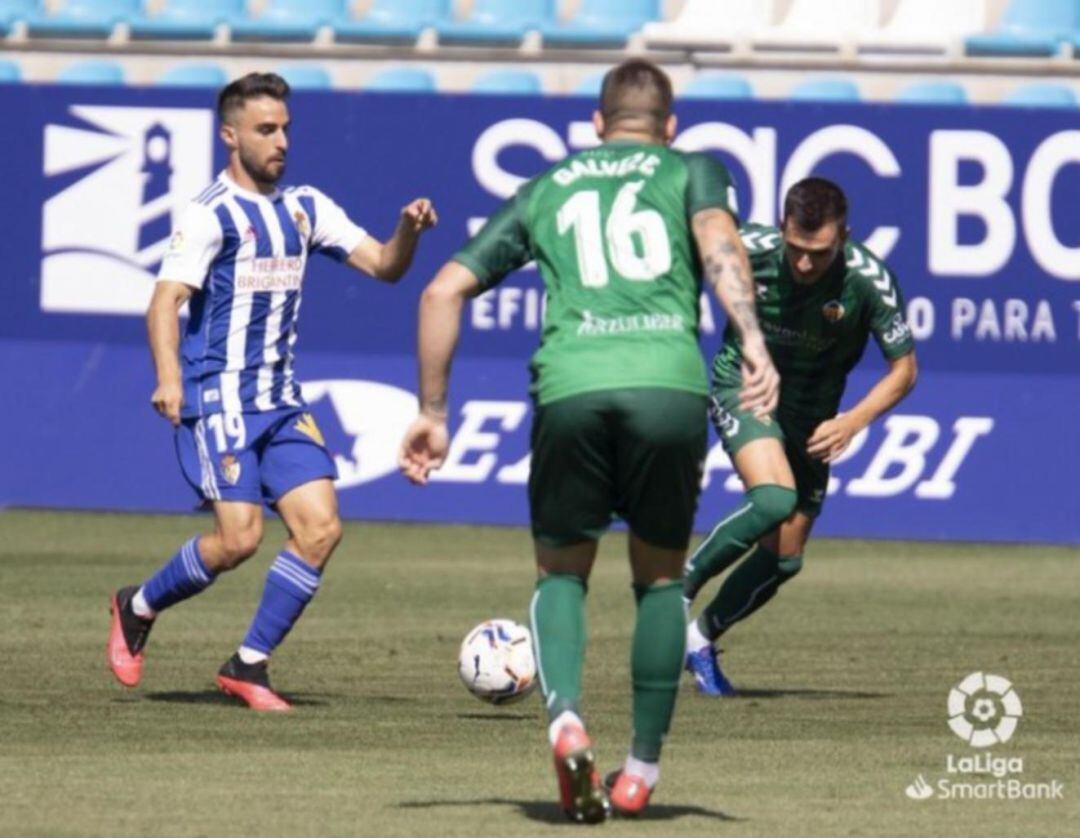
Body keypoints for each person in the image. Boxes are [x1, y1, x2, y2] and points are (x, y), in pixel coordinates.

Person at [397, 60, 778, 821]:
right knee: (661, 582)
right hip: (667, 386)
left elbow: (442, 289)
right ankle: (639, 770)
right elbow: (718, 244)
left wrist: (434, 411)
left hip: (571, 387)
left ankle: (566, 715)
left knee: (561, 574)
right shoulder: (692, 168)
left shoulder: (550, 185)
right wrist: (754, 340)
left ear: (598, 125)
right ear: (670, 128)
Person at [106, 72, 437, 712]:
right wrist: (170, 379)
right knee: (238, 541)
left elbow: (386, 267)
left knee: (321, 528)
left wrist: (409, 231)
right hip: (221, 398)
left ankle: (248, 664)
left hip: (282, 403)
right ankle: (137, 604)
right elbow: (164, 302)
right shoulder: (210, 215)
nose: (281, 140)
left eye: (284, 127)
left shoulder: (306, 207)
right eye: (265, 129)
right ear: (230, 135)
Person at [683, 177, 918, 696]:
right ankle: (676, 589)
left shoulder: (867, 279)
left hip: (816, 417)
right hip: (745, 387)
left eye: (819, 253)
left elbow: (904, 369)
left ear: (845, 237)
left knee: (786, 555)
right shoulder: (751, 251)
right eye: (796, 249)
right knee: (773, 499)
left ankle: (698, 638)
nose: (805, 264)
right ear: (782, 228)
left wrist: (853, 421)